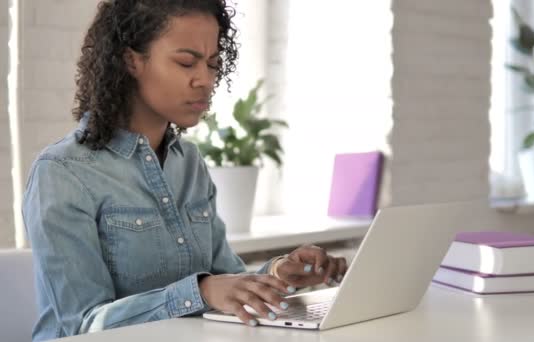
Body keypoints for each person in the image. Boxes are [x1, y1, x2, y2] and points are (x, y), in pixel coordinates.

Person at [22, 1, 347, 341]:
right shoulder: (62, 173)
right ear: (131, 61)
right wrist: (202, 292)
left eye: (213, 64)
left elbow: (227, 278)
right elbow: (82, 325)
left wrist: (280, 274)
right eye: (186, 62)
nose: (206, 80)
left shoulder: (188, 162)